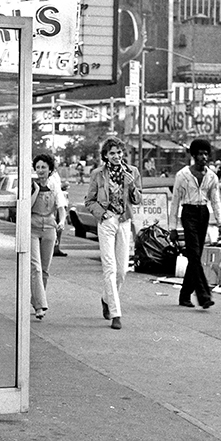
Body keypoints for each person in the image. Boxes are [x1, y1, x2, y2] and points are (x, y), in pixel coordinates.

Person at [83, 138, 142, 330]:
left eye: (119, 153)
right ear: (106, 156)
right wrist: (102, 213)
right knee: (109, 267)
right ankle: (116, 313)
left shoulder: (132, 172)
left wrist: (132, 185)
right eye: (112, 153)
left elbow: (137, 200)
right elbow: (89, 201)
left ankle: (105, 298)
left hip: (124, 220)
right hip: (107, 221)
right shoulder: (98, 174)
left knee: (122, 270)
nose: (116, 157)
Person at [170, 139, 221, 310]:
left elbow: (216, 201)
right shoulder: (182, 175)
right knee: (194, 255)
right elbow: (175, 202)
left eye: (206, 154)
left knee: (195, 256)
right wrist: (172, 228)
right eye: (200, 154)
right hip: (188, 213)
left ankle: (184, 295)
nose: (203, 157)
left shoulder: (211, 176)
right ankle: (203, 295)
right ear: (193, 155)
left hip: (203, 213)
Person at [29, 153, 68, 320]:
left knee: (44, 270)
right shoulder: (30, 185)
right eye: (37, 167)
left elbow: (61, 209)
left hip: (49, 228)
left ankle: (37, 300)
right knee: (35, 267)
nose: (40, 170)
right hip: (32, 226)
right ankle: (40, 305)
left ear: (50, 169)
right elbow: (26, 207)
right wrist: (36, 190)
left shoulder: (55, 187)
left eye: (43, 167)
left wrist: (62, 221)